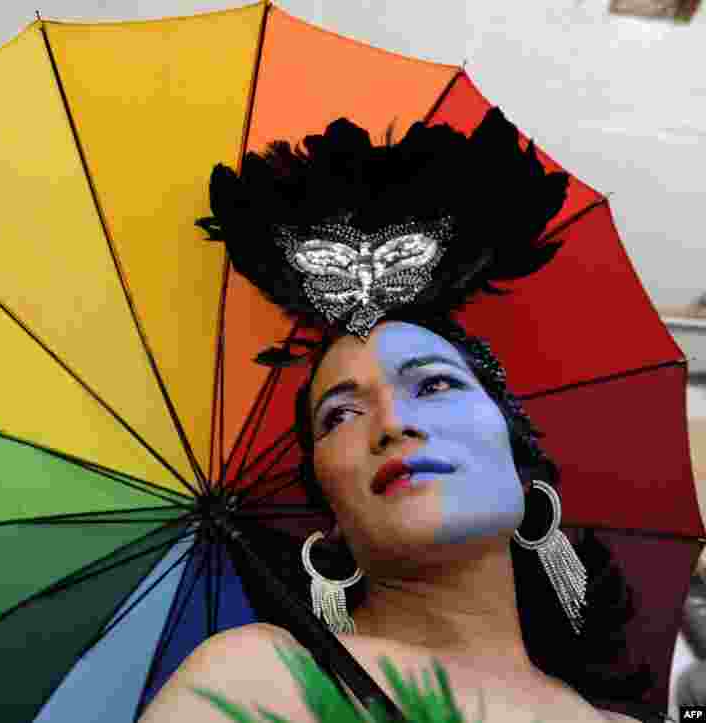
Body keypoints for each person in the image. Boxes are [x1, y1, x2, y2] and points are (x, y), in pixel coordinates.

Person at [137, 108, 652, 722]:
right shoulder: (260, 680)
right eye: (340, 415)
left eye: (434, 384)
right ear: (330, 520)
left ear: (521, 467)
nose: (391, 424)